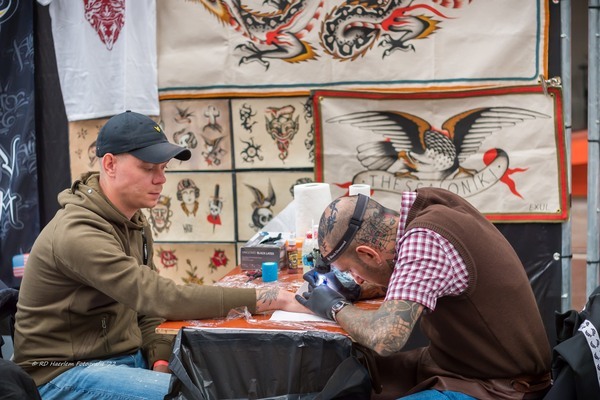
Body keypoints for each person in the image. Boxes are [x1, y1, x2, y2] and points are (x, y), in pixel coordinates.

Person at [13, 111, 306, 399]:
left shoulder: (133, 221)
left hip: (122, 359)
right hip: (61, 373)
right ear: (110, 164)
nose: (161, 179)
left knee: (231, 378)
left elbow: (148, 310)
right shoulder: (77, 232)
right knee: (197, 394)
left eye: (164, 168)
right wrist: (270, 298)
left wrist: (160, 358)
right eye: (148, 168)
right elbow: (160, 296)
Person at [297, 188, 552, 399]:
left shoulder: (426, 240)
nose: (356, 278)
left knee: (358, 376)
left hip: (500, 386)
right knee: (348, 377)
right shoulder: (430, 208)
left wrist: (335, 306)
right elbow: (415, 276)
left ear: (369, 254)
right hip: (461, 365)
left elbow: (385, 338)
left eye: (351, 270)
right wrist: (353, 289)